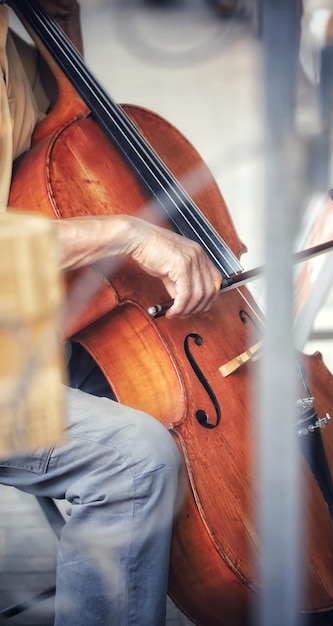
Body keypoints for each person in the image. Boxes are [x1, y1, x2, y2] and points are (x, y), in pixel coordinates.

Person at [0, 1, 222, 624]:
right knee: (134, 456)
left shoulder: (14, 56)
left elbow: (77, 142)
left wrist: (63, 31)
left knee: (171, 395)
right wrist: (129, 233)